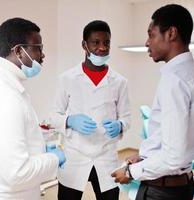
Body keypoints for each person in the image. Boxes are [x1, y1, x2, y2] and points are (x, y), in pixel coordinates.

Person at [111, 4, 194, 200]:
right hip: (181, 184)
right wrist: (145, 155)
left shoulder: (175, 80)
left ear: (171, 33)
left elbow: (174, 157)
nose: (147, 42)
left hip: (162, 191)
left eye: (151, 34)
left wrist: (132, 172)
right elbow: (177, 140)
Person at [0, 18, 66, 200]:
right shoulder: (3, 97)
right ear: (19, 51)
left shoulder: (8, 86)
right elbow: (17, 173)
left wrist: (38, 147)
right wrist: (54, 158)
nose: (43, 55)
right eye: (38, 48)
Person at [49, 20, 131, 200]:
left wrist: (120, 124)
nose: (102, 48)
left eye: (106, 43)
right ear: (84, 45)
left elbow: (126, 117)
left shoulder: (119, 81)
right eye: (96, 42)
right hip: (75, 156)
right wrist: (70, 120)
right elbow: (53, 116)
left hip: (106, 157)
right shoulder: (67, 78)